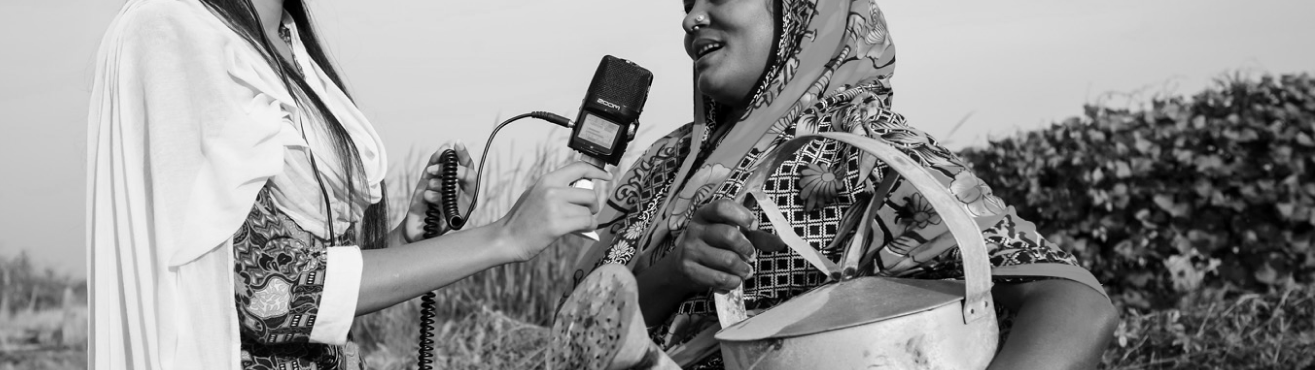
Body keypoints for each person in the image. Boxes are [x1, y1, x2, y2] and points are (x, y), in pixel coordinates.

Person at [572, 0, 1120, 368]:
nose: (691, 17)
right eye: (685, 2)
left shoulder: (861, 151)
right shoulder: (666, 164)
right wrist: (673, 272)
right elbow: (580, 338)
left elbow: (1073, 303)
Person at [86, 0, 609, 369]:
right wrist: (505, 236)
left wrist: (408, 239)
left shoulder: (287, 43)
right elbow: (274, 297)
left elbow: (316, 273)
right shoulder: (171, 29)